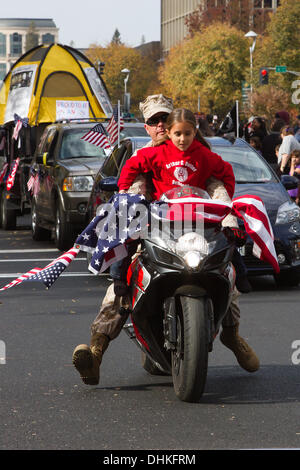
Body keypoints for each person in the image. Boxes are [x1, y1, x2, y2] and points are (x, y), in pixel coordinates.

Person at [72, 100, 259, 387]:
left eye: (164, 119)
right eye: (154, 121)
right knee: (118, 288)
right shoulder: (146, 155)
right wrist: (130, 202)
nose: (160, 126)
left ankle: (232, 336)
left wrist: (227, 211)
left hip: (196, 236)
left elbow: (217, 185)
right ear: (147, 126)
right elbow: (131, 194)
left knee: (228, 274)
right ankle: (96, 351)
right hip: (151, 237)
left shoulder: (201, 152)